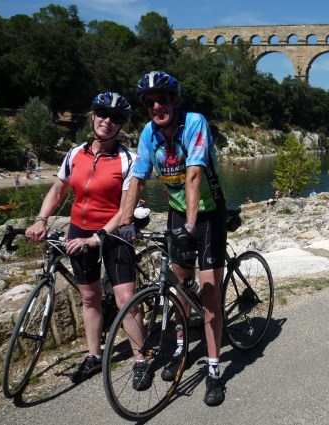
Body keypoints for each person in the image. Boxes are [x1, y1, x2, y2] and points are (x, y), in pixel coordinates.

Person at [25, 92, 152, 389]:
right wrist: (41, 219)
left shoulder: (128, 159)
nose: (107, 121)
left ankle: (141, 359)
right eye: (102, 114)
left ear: (121, 125)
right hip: (79, 231)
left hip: (114, 234)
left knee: (126, 300)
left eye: (115, 118)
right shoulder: (74, 153)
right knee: (90, 297)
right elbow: (58, 190)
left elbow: (125, 207)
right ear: (93, 116)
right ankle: (94, 355)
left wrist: (98, 237)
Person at [118, 71, 228, 406]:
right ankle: (181, 348)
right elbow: (138, 178)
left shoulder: (194, 122)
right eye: (150, 102)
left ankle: (213, 369)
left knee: (209, 294)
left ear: (175, 101)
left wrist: (191, 227)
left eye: (162, 100)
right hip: (179, 212)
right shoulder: (148, 134)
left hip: (207, 215)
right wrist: (125, 222)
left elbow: (194, 173)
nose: (156, 106)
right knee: (179, 287)